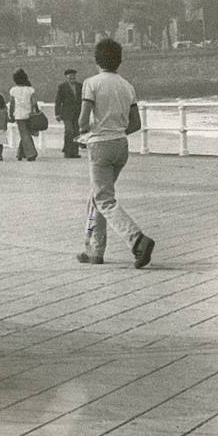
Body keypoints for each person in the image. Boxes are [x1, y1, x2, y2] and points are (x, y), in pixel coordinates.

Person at [78, 39, 155, 268]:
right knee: (98, 197)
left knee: (104, 199)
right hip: (121, 146)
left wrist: (88, 131)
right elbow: (136, 123)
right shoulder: (127, 86)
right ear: (119, 61)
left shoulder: (91, 84)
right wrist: (116, 129)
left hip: (100, 146)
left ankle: (137, 240)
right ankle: (94, 250)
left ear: (96, 60)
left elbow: (82, 121)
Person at [7, 69, 39, 161]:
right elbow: (34, 103)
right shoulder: (30, 90)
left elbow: (12, 104)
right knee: (26, 134)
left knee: (24, 134)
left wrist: (11, 114)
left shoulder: (13, 90)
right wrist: (36, 112)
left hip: (18, 115)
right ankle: (22, 154)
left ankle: (30, 154)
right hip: (29, 114)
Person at [55, 68, 83, 158]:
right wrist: (57, 113)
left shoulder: (80, 86)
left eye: (74, 75)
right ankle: (67, 151)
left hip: (78, 113)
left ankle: (74, 152)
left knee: (76, 133)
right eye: (70, 76)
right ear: (66, 77)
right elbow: (58, 101)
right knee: (69, 131)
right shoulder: (62, 86)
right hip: (66, 113)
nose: (72, 77)